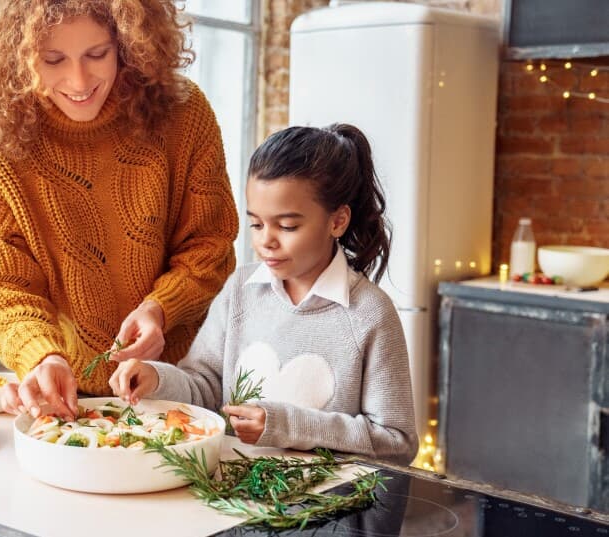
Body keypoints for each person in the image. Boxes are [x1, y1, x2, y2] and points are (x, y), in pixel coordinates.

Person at [0, 0, 238, 421]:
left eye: (97, 54)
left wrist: (161, 309)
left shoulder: (183, 114)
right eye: (53, 60)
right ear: (17, 56)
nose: (79, 79)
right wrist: (41, 356)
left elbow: (210, 245)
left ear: (128, 44)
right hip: (69, 397)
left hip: (183, 385)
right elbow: (6, 289)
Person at [110, 124, 419, 464]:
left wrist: (285, 425)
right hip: (232, 495)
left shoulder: (370, 314)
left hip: (328, 506)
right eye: (256, 224)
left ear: (337, 221)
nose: (265, 241)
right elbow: (205, 388)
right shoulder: (240, 291)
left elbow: (397, 442)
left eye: (287, 226)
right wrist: (156, 379)